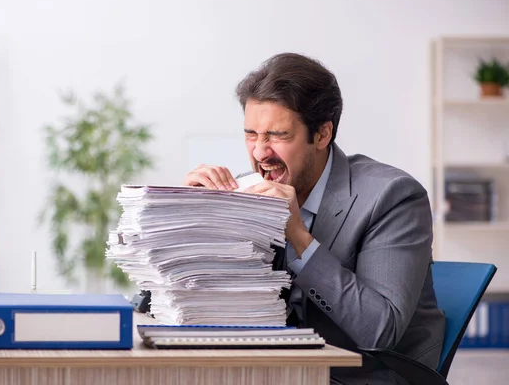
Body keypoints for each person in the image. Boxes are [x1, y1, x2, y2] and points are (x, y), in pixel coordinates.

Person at [183, 52, 446, 385]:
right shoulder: (249, 192)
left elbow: (380, 331)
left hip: (365, 377)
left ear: (322, 135)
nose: (260, 152)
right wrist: (189, 221)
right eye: (252, 134)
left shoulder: (392, 196)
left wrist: (298, 235)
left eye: (278, 136)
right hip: (275, 371)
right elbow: (196, 307)